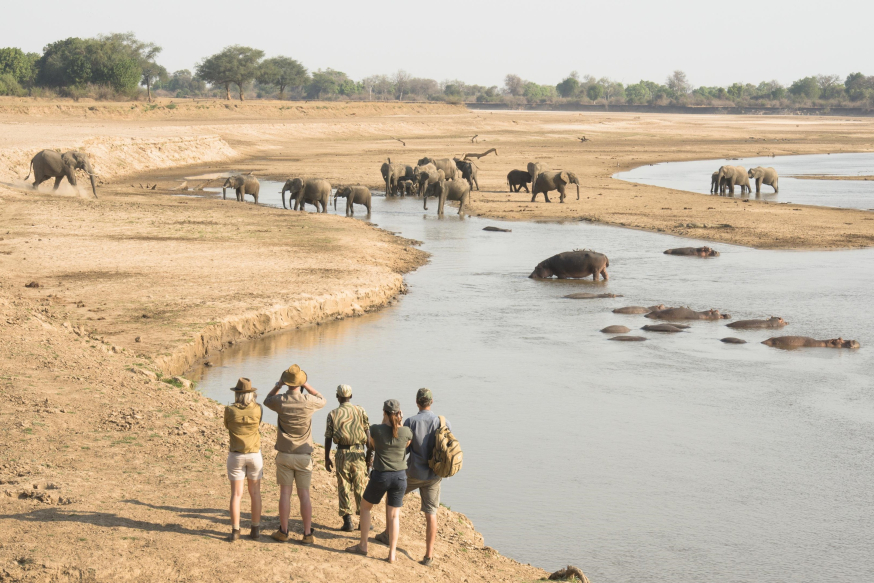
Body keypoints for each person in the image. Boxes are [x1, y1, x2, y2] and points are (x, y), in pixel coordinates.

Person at [375, 388, 450, 566]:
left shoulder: (411, 422)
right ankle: (429, 556)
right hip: (434, 475)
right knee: (431, 514)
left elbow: (404, 449)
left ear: (417, 402)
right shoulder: (442, 421)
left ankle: (387, 533)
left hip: (413, 473)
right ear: (431, 402)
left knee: (392, 499)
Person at [263, 364, 326, 544]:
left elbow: (267, 399)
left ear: (286, 382)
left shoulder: (280, 400)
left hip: (284, 454)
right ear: (301, 382)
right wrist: (307, 385)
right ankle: (307, 534)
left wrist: (278, 384)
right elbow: (322, 398)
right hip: (304, 456)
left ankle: (283, 531)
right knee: (304, 495)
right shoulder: (308, 401)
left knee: (285, 494)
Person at [345, 399, 412, 563]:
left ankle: (363, 546)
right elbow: (405, 445)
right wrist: (400, 422)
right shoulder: (407, 432)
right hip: (400, 477)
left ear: (384, 413)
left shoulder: (376, 429)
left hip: (381, 476)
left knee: (365, 507)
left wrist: (385, 422)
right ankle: (392, 555)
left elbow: (373, 445)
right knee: (394, 516)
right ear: (399, 413)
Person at [324, 384, 372, 531]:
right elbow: (368, 433)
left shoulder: (332, 414)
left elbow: (328, 438)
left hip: (342, 454)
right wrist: (369, 455)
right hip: (358, 453)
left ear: (337, 396)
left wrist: (326, 457)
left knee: (343, 487)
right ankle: (363, 522)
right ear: (350, 396)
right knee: (361, 487)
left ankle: (348, 522)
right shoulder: (360, 410)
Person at [223, 378, 263, 542]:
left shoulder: (230, 410)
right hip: (254, 454)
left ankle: (235, 531)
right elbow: (259, 423)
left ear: (237, 394)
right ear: (251, 394)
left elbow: (227, 426)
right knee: (255, 493)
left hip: (236, 455)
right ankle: (255, 529)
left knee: (236, 495)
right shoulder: (258, 409)